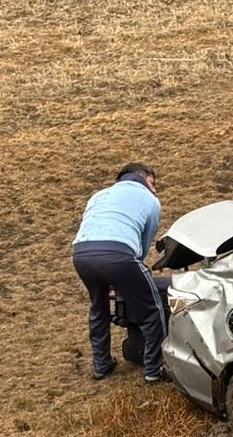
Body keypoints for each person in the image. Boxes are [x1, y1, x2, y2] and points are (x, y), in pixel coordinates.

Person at [72, 163, 168, 382]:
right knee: (152, 312)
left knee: (99, 308)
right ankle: (154, 371)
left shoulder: (98, 196)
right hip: (119, 255)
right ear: (142, 177)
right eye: (152, 183)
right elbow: (142, 247)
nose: (154, 189)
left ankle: (101, 365)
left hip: (81, 254)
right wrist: (122, 274)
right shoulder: (150, 200)